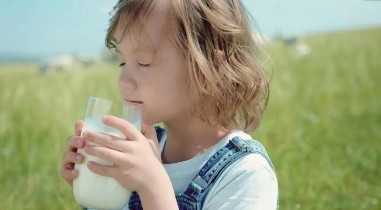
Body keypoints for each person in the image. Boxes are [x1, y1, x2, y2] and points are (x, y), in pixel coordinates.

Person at [60, 0, 278, 209]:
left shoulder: (244, 174)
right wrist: (96, 189)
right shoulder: (138, 150)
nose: (123, 81)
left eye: (144, 62)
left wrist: (153, 185)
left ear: (209, 67)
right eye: (122, 62)